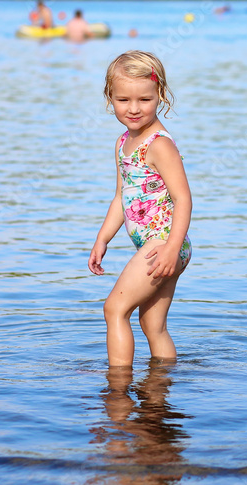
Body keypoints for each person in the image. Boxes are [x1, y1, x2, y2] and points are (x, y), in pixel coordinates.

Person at [88, 51, 192, 366]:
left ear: (160, 95)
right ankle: (162, 386)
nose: (133, 109)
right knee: (152, 324)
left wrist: (171, 248)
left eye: (144, 100)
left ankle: (117, 390)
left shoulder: (159, 145)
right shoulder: (123, 143)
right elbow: (122, 196)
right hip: (164, 246)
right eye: (123, 100)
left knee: (114, 309)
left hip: (164, 244)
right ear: (110, 97)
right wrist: (102, 238)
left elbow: (183, 198)